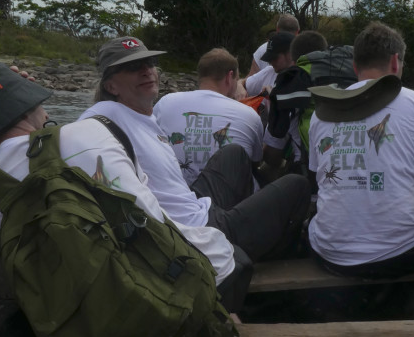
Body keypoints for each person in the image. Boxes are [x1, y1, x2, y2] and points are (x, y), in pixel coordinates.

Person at [0, 61, 238, 297]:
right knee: (236, 259)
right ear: (29, 107)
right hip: (159, 284)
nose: (47, 110)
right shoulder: (91, 132)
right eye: (39, 102)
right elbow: (154, 217)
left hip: (85, 307)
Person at [81, 37, 311, 266]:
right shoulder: (102, 120)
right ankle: (267, 258)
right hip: (195, 232)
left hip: (192, 206)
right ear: (110, 85)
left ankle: (239, 227)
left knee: (234, 153)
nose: (146, 71)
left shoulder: (154, 110)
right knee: (298, 185)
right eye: (132, 67)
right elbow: (264, 160)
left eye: (149, 63)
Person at [307, 22, 414, 278]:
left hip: (331, 256)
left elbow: (317, 178)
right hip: (404, 256)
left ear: (355, 67)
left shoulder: (322, 112)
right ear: (395, 62)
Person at [154, 47, 263, 187]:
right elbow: (256, 161)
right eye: (237, 79)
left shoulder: (165, 103)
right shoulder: (249, 114)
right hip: (229, 204)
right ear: (229, 77)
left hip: (173, 196)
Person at [262, 30, 329, 172]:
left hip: (310, 178)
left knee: (265, 170)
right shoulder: (346, 80)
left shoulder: (288, 88)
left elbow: (270, 155)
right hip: (352, 171)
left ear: (293, 57)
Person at [240, 31, 295, 99]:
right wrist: (240, 87)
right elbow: (242, 82)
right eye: (269, 59)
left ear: (290, 54)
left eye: (274, 58)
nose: (270, 62)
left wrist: (273, 96)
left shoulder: (302, 78)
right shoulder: (270, 71)